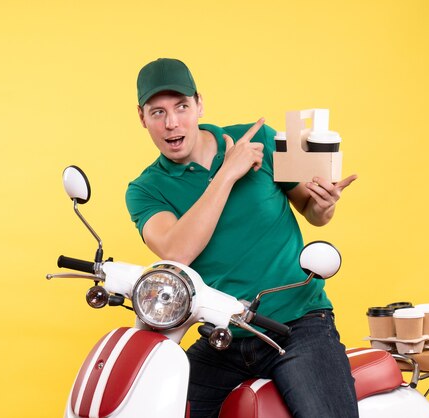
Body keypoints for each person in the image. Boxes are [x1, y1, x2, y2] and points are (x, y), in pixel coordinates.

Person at [125, 58, 359, 418]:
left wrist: (325, 205)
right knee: (158, 405)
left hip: (296, 324)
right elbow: (176, 252)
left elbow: (312, 212)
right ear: (142, 117)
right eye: (158, 112)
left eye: (181, 107)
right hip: (224, 336)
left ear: (199, 104)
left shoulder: (261, 139)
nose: (172, 123)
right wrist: (228, 172)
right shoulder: (144, 190)